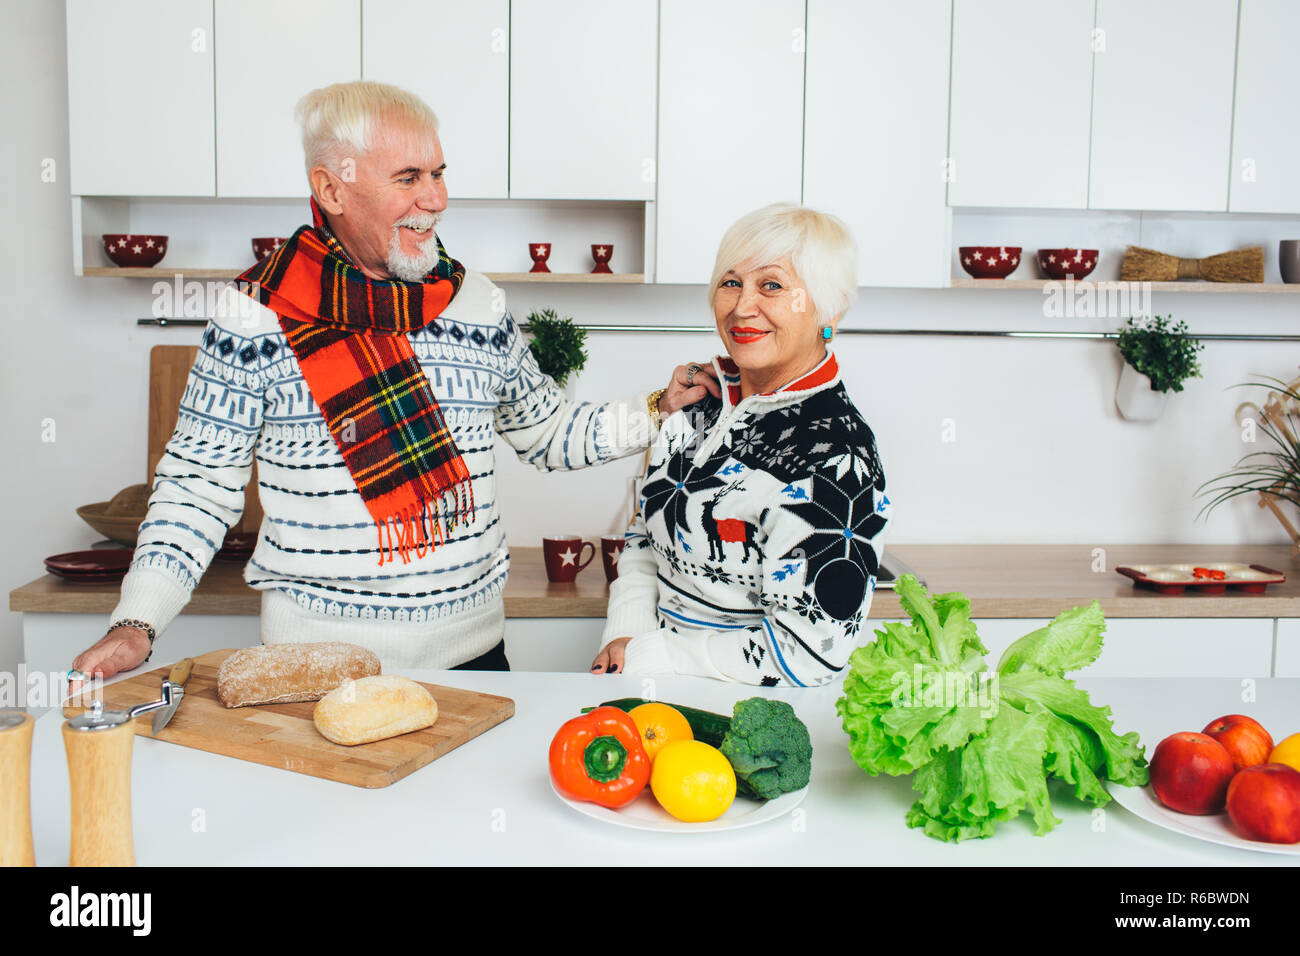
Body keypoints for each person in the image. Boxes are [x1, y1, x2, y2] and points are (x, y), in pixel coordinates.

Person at [70, 80, 718, 682]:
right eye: (407, 178)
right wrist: (138, 619)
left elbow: (547, 433)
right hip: (312, 667)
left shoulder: (477, 302)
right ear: (332, 189)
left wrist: (661, 405)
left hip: (472, 658)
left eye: (438, 174)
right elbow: (198, 484)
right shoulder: (256, 314)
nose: (433, 199)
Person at [591, 203, 891, 686]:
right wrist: (624, 632)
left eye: (771, 285)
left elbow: (808, 655)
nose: (742, 305)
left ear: (828, 307)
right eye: (731, 282)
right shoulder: (697, 403)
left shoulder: (838, 454)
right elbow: (645, 535)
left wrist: (651, 657)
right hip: (647, 688)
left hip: (749, 722)